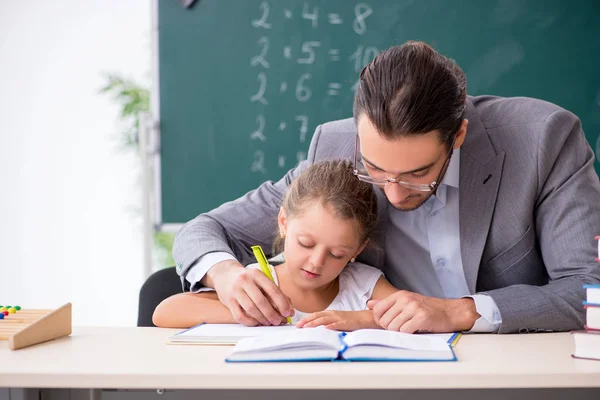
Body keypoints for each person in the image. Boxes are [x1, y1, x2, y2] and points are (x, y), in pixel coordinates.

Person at [173, 41, 600, 334]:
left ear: (459, 135)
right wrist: (225, 274)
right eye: (375, 169)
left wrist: (460, 311)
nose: (393, 195)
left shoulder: (544, 140)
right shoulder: (334, 147)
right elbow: (203, 230)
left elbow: (589, 288)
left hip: (511, 369)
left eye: (418, 173)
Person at [153, 160, 399, 329]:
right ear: (283, 222)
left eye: (336, 254)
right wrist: (252, 313)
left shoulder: (364, 284)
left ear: (357, 250)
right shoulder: (257, 282)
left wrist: (360, 320)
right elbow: (165, 312)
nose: (316, 262)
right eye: (305, 243)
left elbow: (413, 315)